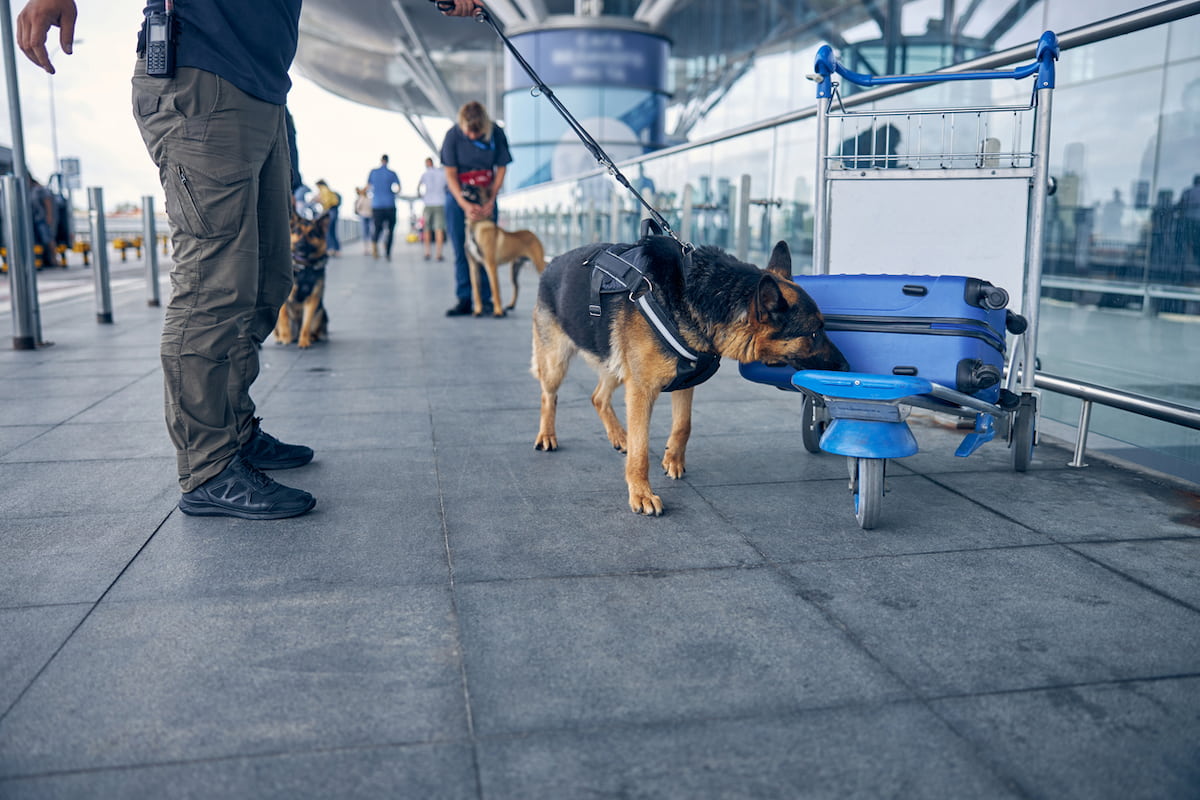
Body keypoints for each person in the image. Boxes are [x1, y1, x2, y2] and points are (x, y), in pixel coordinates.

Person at [16, 0, 482, 519]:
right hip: (202, 76)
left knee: (266, 281)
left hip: (262, 92)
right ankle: (209, 468)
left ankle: (234, 432)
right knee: (212, 285)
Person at [440, 101, 512, 316]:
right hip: (458, 198)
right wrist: (464, 205)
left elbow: (501, 168)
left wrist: (491, 198)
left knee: (487, 252)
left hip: (486, 195)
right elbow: (450, 174)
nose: (472, 136)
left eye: (477, 132)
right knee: (462, 249)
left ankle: (487, 299)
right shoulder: (452, 136)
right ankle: (465, 298)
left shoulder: (496, 133)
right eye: (469, 132)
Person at [366, 154, 400, 261]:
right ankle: (388, 253)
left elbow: (368, 187)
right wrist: (392, 193)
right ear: (388, 161)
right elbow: (398, 188)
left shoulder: (373, 172)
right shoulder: (392, 173)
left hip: (377, 205)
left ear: (381, 160)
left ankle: (375, 247)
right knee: (390, 230)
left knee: (377, 228)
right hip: (390, 204)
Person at [417, 156, 447, 261]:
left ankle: (427, 252)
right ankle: (439, 254)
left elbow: (418, 188)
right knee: (439, 229)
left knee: (426, 229)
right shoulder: (442, 173)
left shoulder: (425, 174)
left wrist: (422, 196)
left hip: (428, 203)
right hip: (440, 202)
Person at [314, 179, 342, 255]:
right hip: (334, 210)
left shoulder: (323, 189)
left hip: (329, 210)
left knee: (327, 231)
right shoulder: (329, 190)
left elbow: (325, 202)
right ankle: (337, 250)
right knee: (332, 231)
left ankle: (330, 249)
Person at [354, 186, 373, 254]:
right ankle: (368, 248)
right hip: (367, 216)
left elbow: (358, 208)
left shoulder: (364, 199)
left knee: (367, 232)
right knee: (368, 232)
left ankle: (369, 248)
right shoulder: (367, 199)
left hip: (366, 216)